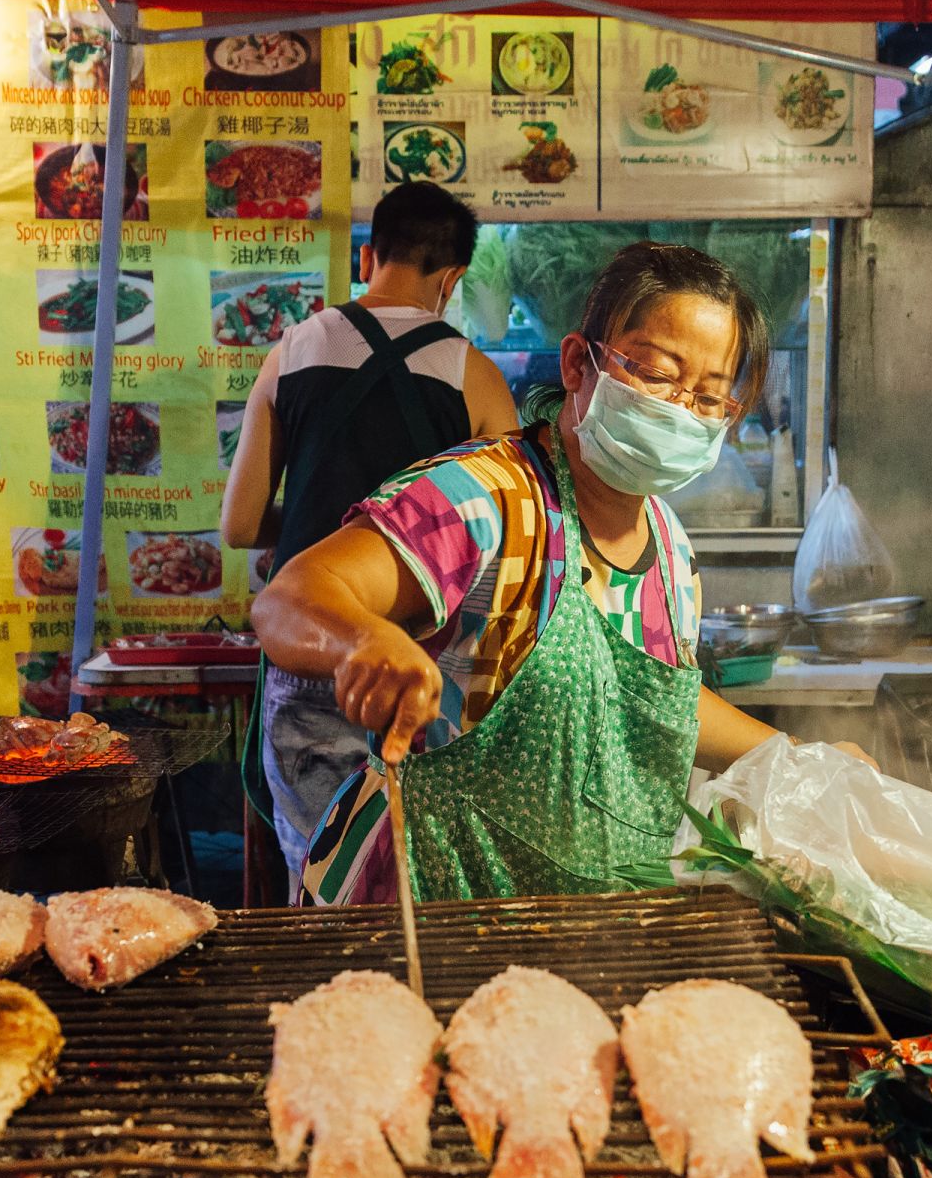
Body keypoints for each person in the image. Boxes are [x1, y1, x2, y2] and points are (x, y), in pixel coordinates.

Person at [255, 242, 827, 903]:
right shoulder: (483, 499)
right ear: (579, 364)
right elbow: (291, 597)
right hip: (438, 917)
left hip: (597, 934)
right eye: (656, 373)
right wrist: (360, 638)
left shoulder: (670, 547)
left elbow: (657, 703)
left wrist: (795, 760)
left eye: (709, 396)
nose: (680, 409)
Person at [218, 182, 519, 886]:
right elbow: (514, 539)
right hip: (424, 674)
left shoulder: (293, 350)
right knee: (421, 888)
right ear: (451, 280)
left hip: (312, 653)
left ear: (367, 256)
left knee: (328, 887)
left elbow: (238, 526)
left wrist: (306, 530)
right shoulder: (472, 374)